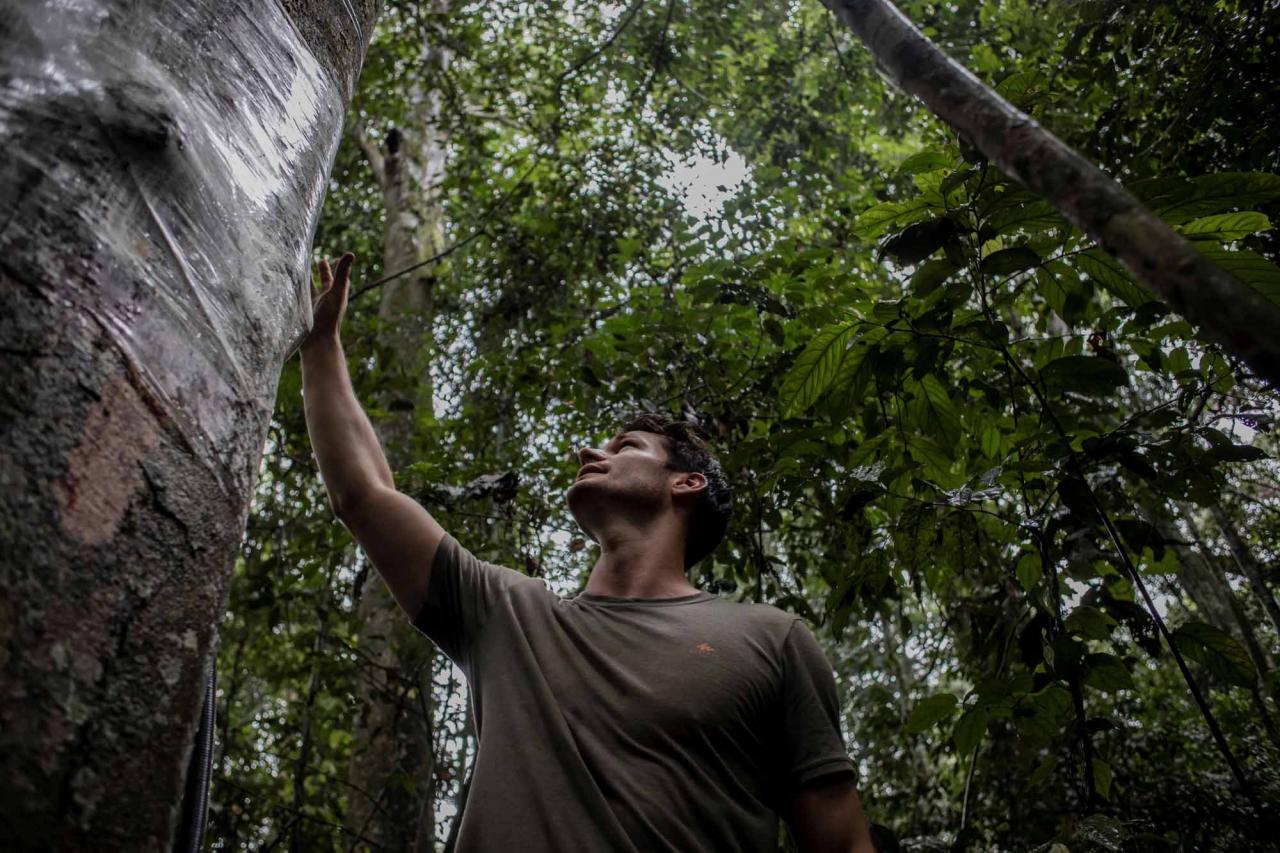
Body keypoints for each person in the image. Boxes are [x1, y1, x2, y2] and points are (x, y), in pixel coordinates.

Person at [301, 253, 876, 852]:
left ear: (687, 483)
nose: (588, 453)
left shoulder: (771, 639)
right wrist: (321, 344)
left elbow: (842, 843)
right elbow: (365, 494)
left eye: (625, 445)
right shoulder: (507, 614)